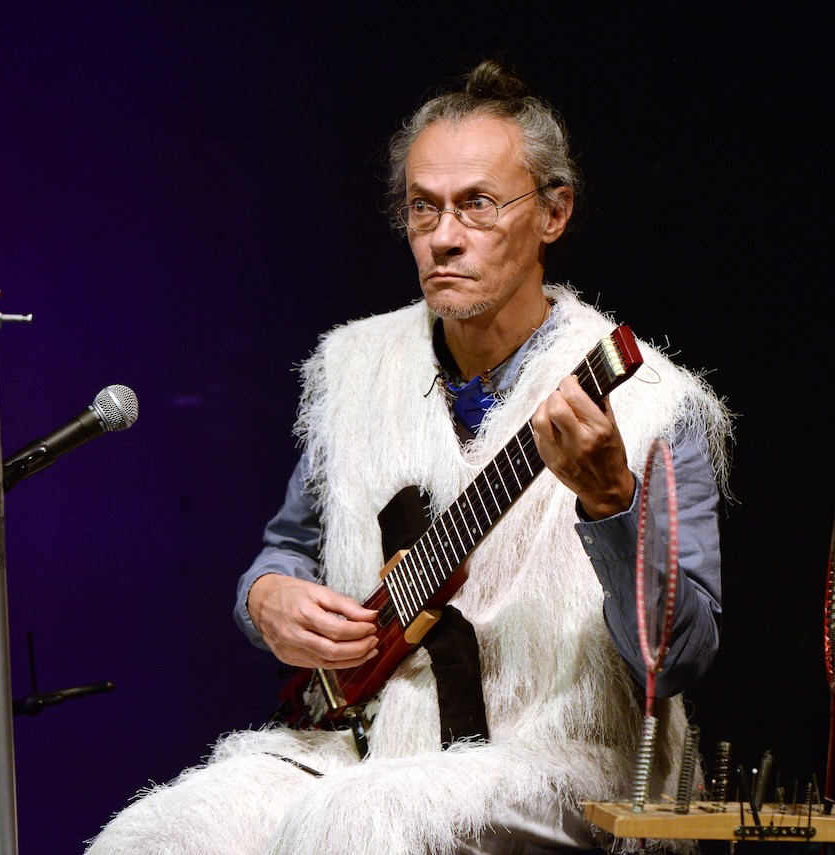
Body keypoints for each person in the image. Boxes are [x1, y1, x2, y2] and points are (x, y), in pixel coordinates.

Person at [86, 59, 730, 855]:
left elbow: (680, 659)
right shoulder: (354, 370)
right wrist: (266, 599)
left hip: (567, 763)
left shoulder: (652, 404)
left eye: (478, 206)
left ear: (554, 213)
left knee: (357, 825)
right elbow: (287, 548)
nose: (444, 237)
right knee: (155, 834)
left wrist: (610, 501)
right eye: (424, 209)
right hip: (363, 745)